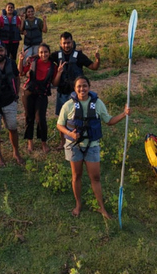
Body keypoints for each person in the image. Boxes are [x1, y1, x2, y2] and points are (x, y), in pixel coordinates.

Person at [56, 76, 130, 219]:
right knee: (76, 176)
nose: (82, 89)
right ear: (74, 88)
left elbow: (109, 120)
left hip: (92, 146)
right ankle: (78, 204)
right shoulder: (68, 105)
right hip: (74, 146)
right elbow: (60, 124)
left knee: (95, 177)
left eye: (84, 86)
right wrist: (69, 133)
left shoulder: (97, 104)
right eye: (79, 86)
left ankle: (101, 207)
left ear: (89, 87)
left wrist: (124, 114)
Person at [19, 43, 61, 153]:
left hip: (42, 94)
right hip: (29, 92)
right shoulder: (33, 62)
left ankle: (44, 142)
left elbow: (55, 83)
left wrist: (59, 73)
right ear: (38, 53)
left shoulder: (53, 66)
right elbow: (21, 73)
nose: (43, 54)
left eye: (45, 52)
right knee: (29, 117)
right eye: (41, 52)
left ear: (49, 53)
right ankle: (30, 142)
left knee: (41, 119)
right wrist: (21, 60)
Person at [50, 32, 101, 115]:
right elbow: (43, 59)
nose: (66, 45)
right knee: (62, 118)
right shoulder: (56, 55)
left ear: (72, 42)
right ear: (60, 43)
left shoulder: (79, 56)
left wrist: (97, 60)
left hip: (76, 93)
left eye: (68, 43)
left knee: (76, 117)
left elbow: (93, 67)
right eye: (64, 43)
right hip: (61, 93)